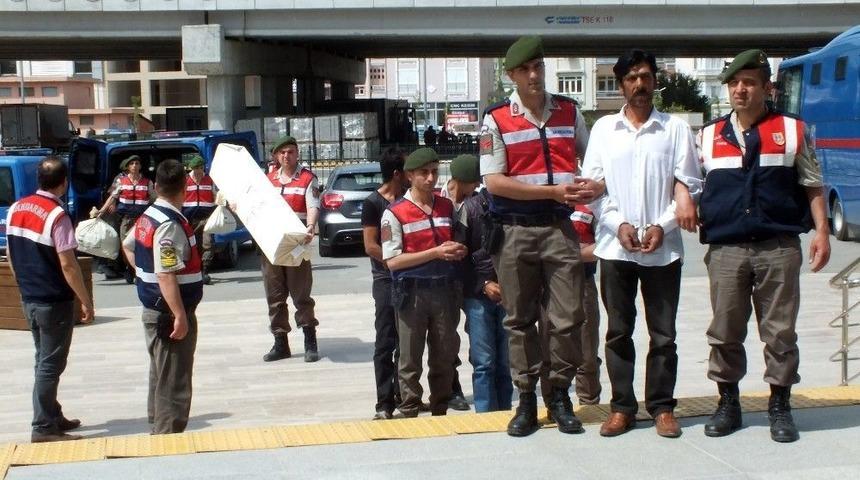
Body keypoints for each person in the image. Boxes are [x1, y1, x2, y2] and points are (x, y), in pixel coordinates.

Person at [698, 49, 830, 443]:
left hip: (777, 247)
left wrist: (822, 231)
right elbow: (689, 183)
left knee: (780, 333)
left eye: (750, 82)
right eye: (735, 83)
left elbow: (812, 183)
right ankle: (728, 404)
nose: (741, 89)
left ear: (766, 87)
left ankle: (780, 405)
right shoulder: (707, 135)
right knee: (724, 332)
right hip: (726, 250)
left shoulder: (793, 130)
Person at [480, 35, 600, 437]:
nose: (534, 76)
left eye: (538, 68)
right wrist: (550, 191)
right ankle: (527, 397)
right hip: (514, 231)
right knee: (519, 320)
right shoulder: (495, 119)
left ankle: (560, 393)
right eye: (525, 70)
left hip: (560, 229)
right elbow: (494, 182)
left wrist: (593, 189)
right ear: (511, 75)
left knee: (568, 318)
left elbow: (593, 162)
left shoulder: (569, 111)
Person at [581, 49, 701, 439]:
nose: (639, 84)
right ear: (620, 86)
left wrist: (662, 226)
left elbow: (690, 185)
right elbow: (592, 189)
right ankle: (622, 408)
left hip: (662, 250)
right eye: (631, 78)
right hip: (616, 249)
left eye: (646, 76)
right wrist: (618, 224)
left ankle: (662, 407)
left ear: (655, 82)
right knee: (618, 331)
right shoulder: (602, 131)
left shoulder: (675, 130)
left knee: (663, 333)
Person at [6, 156, 94, 443]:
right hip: (52, 300)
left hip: (29, 297)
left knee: (42, 360)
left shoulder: (17, 208)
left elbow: (10, 253)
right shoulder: (57, 216)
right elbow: (68, 265)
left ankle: (53, 414)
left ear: (39, 181)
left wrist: (22, 285)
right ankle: (43, 426)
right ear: (64, 182)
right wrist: (86, 301)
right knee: (50, 365)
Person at [381, 147, 467, 417]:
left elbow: (456, 238)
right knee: (409, 358)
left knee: (444, 355)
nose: (431, 178)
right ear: (409, 176)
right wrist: (435, 252)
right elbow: (392, 261)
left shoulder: (445, 206)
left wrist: (458, 250)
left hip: (444, 290)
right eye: (423, 173)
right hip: (412, 293)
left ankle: (440, 407)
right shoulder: (394, 213)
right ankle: (409, 408)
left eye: (434, 172)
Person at [122, 158, 203, 434]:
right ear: (185, 188)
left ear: (155, 187)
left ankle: (157, 427)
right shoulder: (169, 224)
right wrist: (179, 314)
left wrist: (142, 272)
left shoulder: (149, 215)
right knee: (174, 381)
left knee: (160, 373)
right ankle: (167, 438)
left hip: (154, 307)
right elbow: (166, 273)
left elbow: (127, 244)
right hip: (168, 313)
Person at [454, 154, 513, 413]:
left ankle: (506, 413)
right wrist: (484, 282)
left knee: (506, 363)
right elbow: (460, 256)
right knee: (484, 363)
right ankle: (486, 416)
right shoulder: (471, 208)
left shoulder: (514, 206)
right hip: (479, 297)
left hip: (510, 293)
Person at [260, 136, 320, 363]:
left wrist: (311, 226)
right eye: (282, 152)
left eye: (291, 152)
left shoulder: (307, 179)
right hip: (271, 244)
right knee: (274, 295)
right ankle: (280, 342)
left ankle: (309, 340)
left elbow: (312, 205)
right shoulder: (267, 181)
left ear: (297, 154)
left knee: (301, 294)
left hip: (296, 244)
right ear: (276, 156)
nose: (286, 156)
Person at [361, 147, 407, 420]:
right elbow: (370, 245)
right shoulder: (373, 203)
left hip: (410, 279)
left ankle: (406, 395)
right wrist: (395, 262)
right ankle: (384, 401)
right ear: (397, 174)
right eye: (408, 171)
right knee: (385, 342)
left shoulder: (409, 200)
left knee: (408, 343)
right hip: (385, 281)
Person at [98, 154, 154, 283]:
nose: (134, 166)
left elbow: (154, 199)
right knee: (126, 246)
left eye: (137, 163)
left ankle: (139, 271)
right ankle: (130, 269)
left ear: (140, 166)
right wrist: (102, 210)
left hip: (142, 221)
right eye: (132, 164)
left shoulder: (147, 182)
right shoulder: (120, 181)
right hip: (126, 219)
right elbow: (113, 197)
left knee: (141, 246)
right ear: (128, 167)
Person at [181, 154, 216, 285]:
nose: (199, 171)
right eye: (196, 168)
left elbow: (216, 196)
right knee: (193, 245)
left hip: (207, 217)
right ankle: (195, 270)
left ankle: (205, 271)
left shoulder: (209, 180)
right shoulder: (185, 181)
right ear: (192, 168)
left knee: (208, 244)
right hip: (191, 219)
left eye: (201, 168)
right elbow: (179, 198)